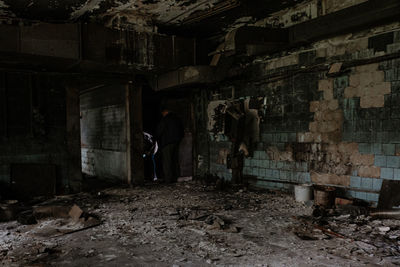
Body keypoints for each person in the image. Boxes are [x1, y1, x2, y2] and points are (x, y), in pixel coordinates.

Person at [156, 107, 184, 183]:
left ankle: (168, 179)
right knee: (175, 160)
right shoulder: (177, 119)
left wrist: (157, 138)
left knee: (167, 161)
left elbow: (159, 131)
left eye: (162, 113)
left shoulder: (165, 119)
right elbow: (182, 131)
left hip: (167, 142)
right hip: (176, 142)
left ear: (165, 112)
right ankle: (175, 178)